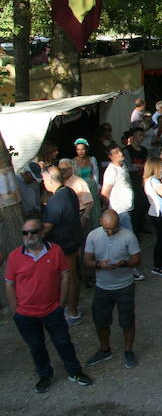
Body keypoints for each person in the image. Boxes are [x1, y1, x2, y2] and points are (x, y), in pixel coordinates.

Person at [5, 217, 93, 392]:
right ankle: (44, 376)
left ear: (42, 232)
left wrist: (61, 302)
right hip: (26, 314)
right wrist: (16, 311)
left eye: (33, 232)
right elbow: (9, 283)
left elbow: (66, 275)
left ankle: (74, 372)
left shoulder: (55, 251)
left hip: (52, 309)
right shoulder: (14, 256)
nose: (28, 236)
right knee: (36, 347)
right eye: (25, 233)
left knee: (63, 342)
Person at [82, 210, 141, 369]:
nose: (110, 232)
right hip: (102, 286)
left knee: (127, 320)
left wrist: (125, 263)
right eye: (107, 229)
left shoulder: (128, 236)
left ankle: (128, 350)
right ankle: (104, 348)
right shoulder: (93, 236)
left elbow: (136, 259)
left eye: (114, 229)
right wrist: (98, 265)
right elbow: (87, 260)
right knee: (101, 321)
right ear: (101, 221)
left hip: (125, 285)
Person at [41, 166, 85, 325]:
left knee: (69, 277)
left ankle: (72, 312)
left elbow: (47, 226)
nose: (43, 182)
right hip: (73, 238)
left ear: (50, 180)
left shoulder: (56, 199)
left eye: (44, 179)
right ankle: (74, 306)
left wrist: (35, 236)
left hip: (65, 243)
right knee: (72, 275)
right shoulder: (69, 191)